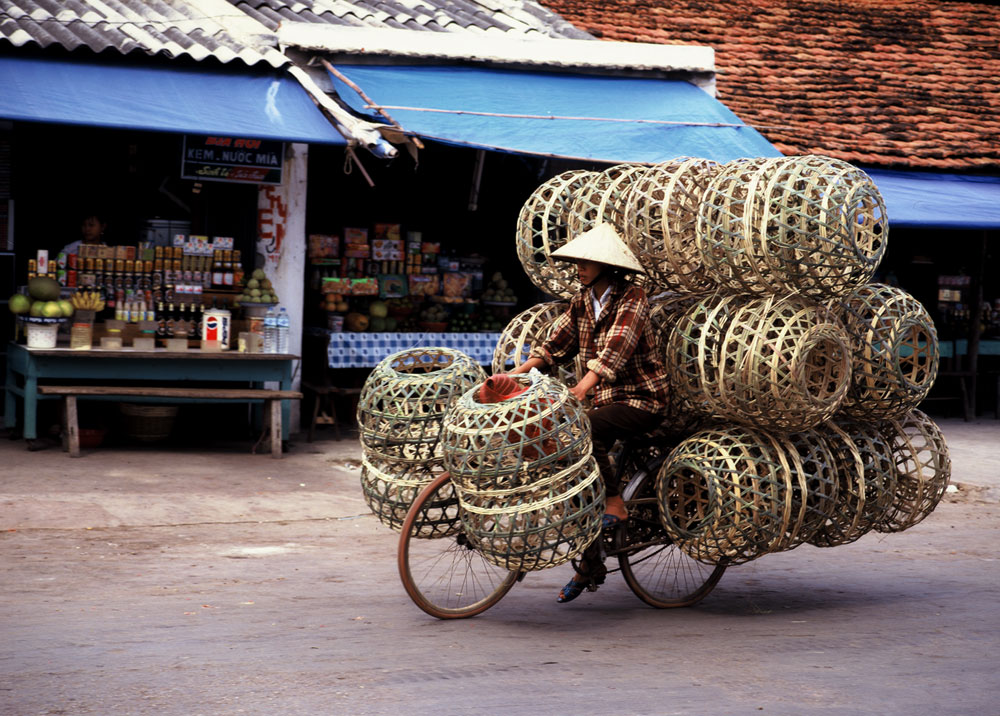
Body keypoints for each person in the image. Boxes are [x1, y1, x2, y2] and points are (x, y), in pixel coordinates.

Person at [510, 221, 669, 603]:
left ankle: (615, 502)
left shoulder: (633, 298)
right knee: (577, 473)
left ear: (607, 265)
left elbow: (618, 345)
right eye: (577, 261)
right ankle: (591, 564)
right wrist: (513, 374)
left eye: (586, 261)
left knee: (587, 429)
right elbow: (553, 346)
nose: (579, 267)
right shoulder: (581, 301)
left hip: (641, 400)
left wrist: (583, 386)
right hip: (604, 400)